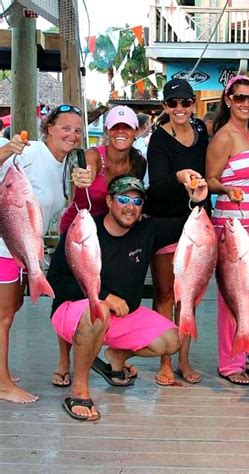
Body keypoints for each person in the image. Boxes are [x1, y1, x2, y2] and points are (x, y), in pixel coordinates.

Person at [47, 175, 209, 421]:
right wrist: (104, 296)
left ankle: (115, 357)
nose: (130, 207)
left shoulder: (148, 229)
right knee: (98, 310)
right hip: (74, 312)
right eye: (123, 199)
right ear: (110, 201)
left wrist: (198, 202)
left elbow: (188, 225)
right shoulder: (85, 229)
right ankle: (79, 391)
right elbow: (57, 277)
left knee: (173, 339)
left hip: (123, 317)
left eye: (137, 201)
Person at [51, 105, 146, 388]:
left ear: (135, 132)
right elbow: (82, 171)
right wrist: (83, 177)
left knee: (102, 288)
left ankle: (107, 349)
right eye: (115, 128)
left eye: (126, 128)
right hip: (80, 229)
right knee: (71, 291)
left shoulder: (137, 163)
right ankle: (64, 360)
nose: (120, 133)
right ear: (106, 131)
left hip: (111, 232)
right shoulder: (94, 156)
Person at [0, 104, 82, 403]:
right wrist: (9, 148)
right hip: (4, 247)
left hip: (24, 249)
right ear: (48, 128)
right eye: (65, 128)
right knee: (3, 316)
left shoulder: (65, 165)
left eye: (76, 130)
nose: (72, 135)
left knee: (13, 308)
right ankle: (3, 384)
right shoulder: (28, 151)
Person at [206, 74, 249, 385]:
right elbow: (210, 180)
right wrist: (227, 191)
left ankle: (242, 353)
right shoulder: (224, 136)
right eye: (239, 97)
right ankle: (229, 364)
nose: (245, 103)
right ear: (228, 100)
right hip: (232, 227)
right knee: (232, 295)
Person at [145, 78, 209, 386]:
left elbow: (208, 175)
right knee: (165, 295)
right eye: (173, 103)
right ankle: (165, 360)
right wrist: (180, 177)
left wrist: (203, 190)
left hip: (195, 223)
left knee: (190, 296)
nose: (179, 108)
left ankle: (184, 358)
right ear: (164, 107)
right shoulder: (158, 139)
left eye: (185, 102)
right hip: (165, 224)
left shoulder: (202, 133)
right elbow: (155, 187)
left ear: (193, 103)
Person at [134, 113, 152, 187]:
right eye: (150, 124)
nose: (150, 128)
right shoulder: (138, 144)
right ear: (145, 125)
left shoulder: (138, 142)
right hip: (141, 185)